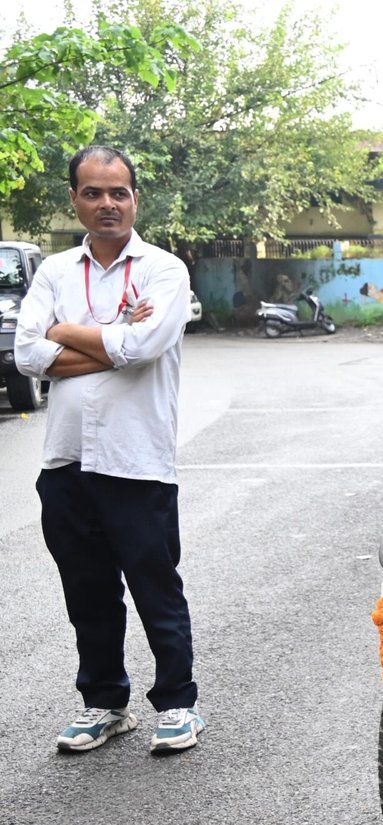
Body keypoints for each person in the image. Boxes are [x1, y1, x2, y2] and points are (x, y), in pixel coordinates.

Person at [13, 145, 205, 754]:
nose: (107, 204)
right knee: (87, 592)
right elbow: (25, 354)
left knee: (156, 588)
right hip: (66, 463)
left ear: (135, 199)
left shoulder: (163, 270)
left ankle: (178, 705)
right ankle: (104, 703)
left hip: (136, 461)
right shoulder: (54, 272)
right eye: (93, 192)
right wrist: (114, 338)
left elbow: (145, 346)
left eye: (118, 192)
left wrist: (64, 332)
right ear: (74, 198)